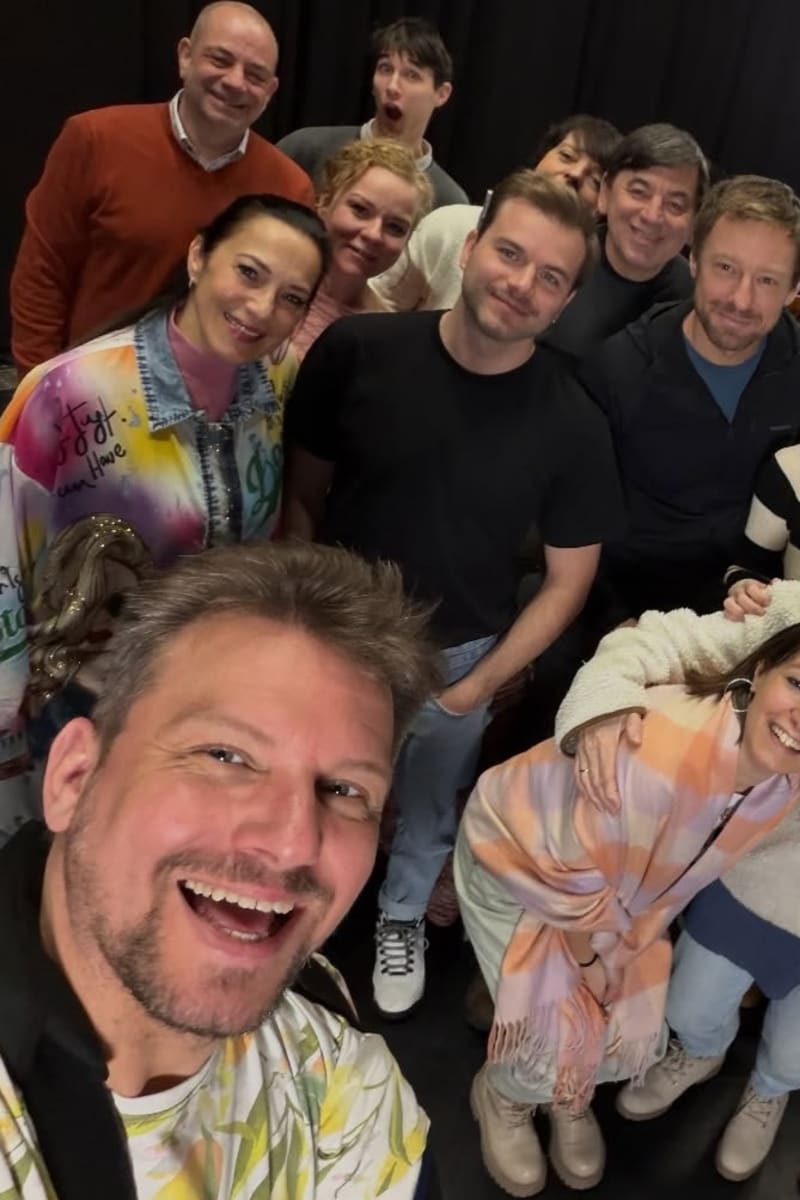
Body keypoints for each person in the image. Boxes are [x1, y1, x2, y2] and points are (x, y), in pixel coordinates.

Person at [283, 169, 625, 1019]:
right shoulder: (359, 351)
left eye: (551, 276)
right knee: (307, 791)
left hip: (458, 655)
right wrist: (302, 630)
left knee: (430, 809)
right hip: (337, 638)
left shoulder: (574, 420)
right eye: (510, 253)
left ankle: (401, 915)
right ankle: (290, 912)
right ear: (469, 248)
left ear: (565, 302)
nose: (522, 282)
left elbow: (569, 580)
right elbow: (302, 498)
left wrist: (478, 684)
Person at [0, 539, 439, 1199]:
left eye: (343, 790)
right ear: (74, 777)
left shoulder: (337, 1080)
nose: (292, 843)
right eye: (226, 756)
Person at [0, 193, 329, 833]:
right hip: (77, 704)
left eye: (292, 298)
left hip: (203, 698)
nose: (263, 309)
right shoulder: (70, 392)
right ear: (199, 256)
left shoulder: (279, 379)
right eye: (249, 272)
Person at [456, 613, 800, 1195]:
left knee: (617, 1025)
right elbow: (571, 882)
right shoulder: (654, 756)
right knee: (561, 1018)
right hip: (518, 862)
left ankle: (567, 1093)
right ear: (760, 668)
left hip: (622, 892)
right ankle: (505, 1093)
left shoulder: (777, 784)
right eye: (798, 683)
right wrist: (591, 964)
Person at [553, 581, 800, 1183]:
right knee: (691, 1007)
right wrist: (604, 705)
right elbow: (658, 640)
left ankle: (770, 1089)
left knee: (796, 1051)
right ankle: (702, 1053)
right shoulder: (792, 614)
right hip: (749, 882)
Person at [10, 2, 314, 376]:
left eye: (255, 75)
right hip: (92, 386)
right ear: (186, 56)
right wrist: (38, 384)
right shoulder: (94, 139)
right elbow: (42, 274)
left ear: (271, 90)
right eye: (220, 60)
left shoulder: (290, 187)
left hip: (218, 394)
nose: (235, 82)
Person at [581, 174, 800, 622]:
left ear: (794, 290)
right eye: (726, 268)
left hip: (759, 614)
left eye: (766, 280)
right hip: (626, 612)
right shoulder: (616, 370)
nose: (741, 299)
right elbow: (576, 523)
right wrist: (614, 623)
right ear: (694, 258)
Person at [369, 113, 622, 313]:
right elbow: (379, 305)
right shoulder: (450, 225)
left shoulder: (585, 289)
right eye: (566, 156)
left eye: (595, 180)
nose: (575, 174)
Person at [277, 17, 466, 210]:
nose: (392, 87)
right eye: (385, 69)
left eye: (412, 75)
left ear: (442, 94)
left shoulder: (450, 202)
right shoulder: (306, 150)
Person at [291, 138, 433, 361]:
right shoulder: (265, 282)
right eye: (360, 209)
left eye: (395, 227)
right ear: (324, 202)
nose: (373, 234)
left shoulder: (387, 337)